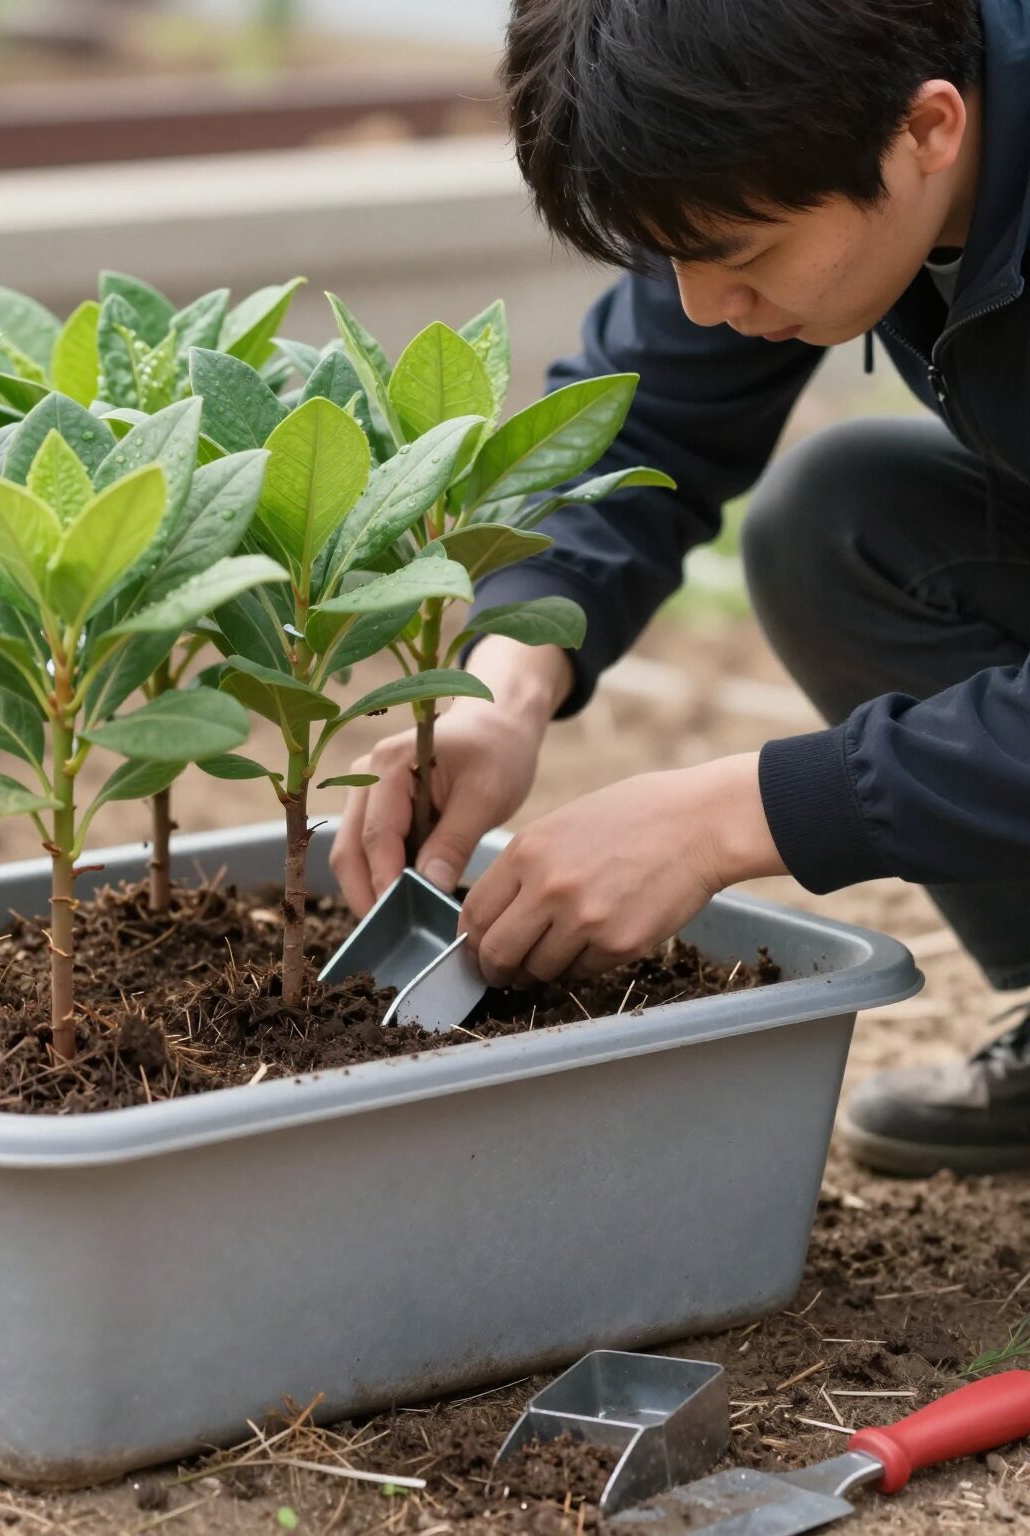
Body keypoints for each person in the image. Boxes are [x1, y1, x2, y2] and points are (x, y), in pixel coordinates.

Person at [330, 0, 1030, 1177]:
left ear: (930, 130)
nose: (708, 304)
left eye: (741, 256)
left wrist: (725, 818)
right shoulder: (791, 122)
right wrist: (507, 678)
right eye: (675, 257)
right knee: (843, 521)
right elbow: (646, 413)